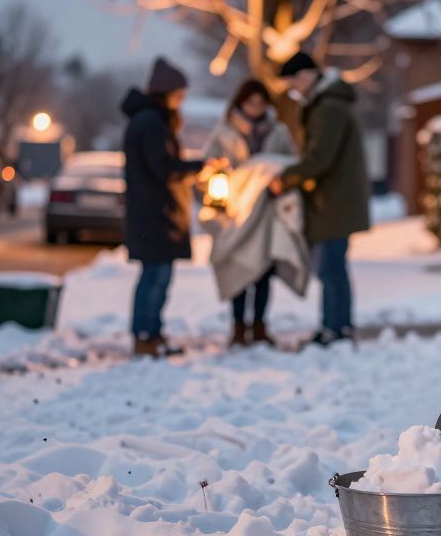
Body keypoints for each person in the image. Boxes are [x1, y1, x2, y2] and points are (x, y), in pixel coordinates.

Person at [121, 57, 221, 357]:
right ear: (165, 92)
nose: (182, 101)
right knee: (155, 277)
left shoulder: (151, 120)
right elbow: (162, 168)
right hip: (155, 216)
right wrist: (199, 166)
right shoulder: (151, 123)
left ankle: (151, 333)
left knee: (158, 277)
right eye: (179, 94)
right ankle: (145, 335)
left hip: (156, 214)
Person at [272, 51, 370, 347]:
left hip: (334, 202)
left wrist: (285, 177)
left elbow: (320, 157)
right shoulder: (327, 104)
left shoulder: (328, 108)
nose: (293, 90)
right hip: (334, 200)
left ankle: (335, 328)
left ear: (305, 76)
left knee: (330, 269)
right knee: (333, 268)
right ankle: (336, 326)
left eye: (293, 83)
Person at [203, 78, 297, 347]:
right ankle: (238, 325)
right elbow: (208, 168)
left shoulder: (278, 133)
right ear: (241, 103)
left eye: (260, 102)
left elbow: (289, 163)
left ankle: (259, 324)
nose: (255, 108)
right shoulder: (224, 133)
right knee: (238, 267)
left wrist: (278, 181)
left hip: (267, 213)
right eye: (250, 102)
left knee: (264, 271)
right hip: (235, 212)